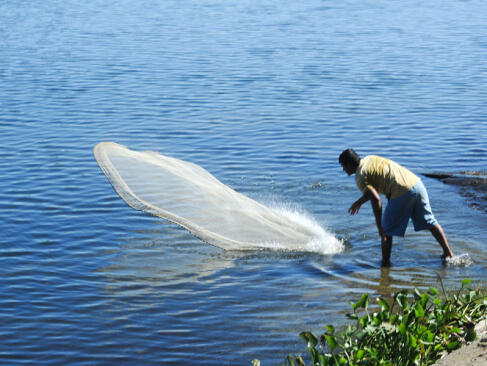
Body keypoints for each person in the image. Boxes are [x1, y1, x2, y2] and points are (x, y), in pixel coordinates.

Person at [339, 148, 454, 266]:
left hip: (402, 192)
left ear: (348, 164)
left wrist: (379, 227)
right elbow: (378, 184)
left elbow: (376, 198)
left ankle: (385, 265)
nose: (343, 169)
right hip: (417, 184)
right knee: (429, 221)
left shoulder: (360, 176)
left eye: (343, 166)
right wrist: (360, 202)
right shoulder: (369, 159)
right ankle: (449, 254)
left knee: (386, 231)